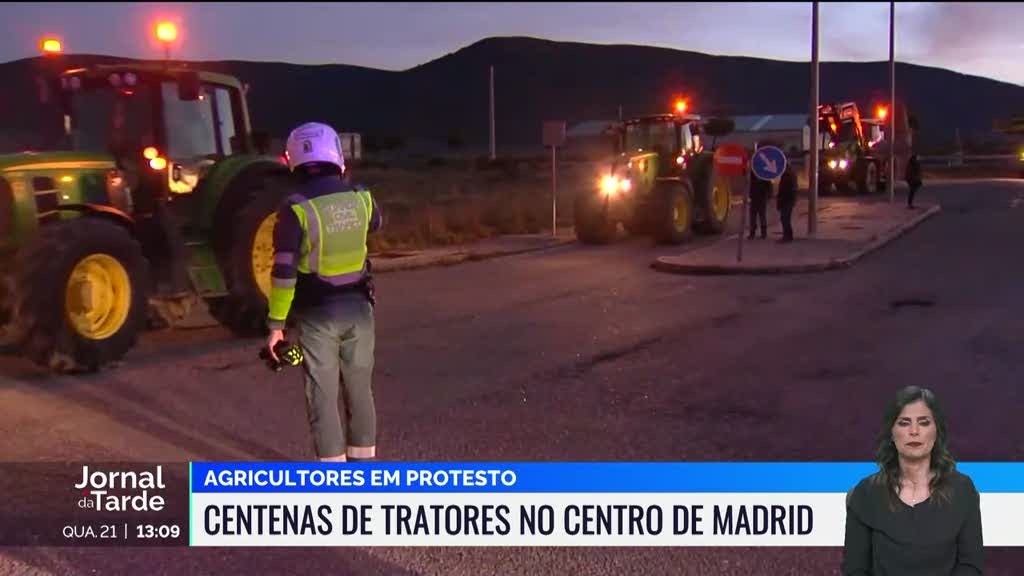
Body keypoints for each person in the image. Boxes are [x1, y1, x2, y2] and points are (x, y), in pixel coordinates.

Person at [267, 121, 383, 463]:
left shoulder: (295, 208)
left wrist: (276, 326)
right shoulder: (362, 198)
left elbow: (284, 272)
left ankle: (333, 480)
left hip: (317, 315)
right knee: (360, 391)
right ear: (337, 156)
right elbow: (376, 223)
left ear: (293, 161)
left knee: (322, 396)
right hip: (361, 311)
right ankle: (364, 471)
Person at [841, 386, 984, 575]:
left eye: (924, 423)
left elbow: (971, 566)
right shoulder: (865, 494)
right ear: (891, 433)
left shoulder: (963, 490)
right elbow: (855, 570)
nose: (914, 431)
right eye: (904, 423)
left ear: (936, 431)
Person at [776, 159, 798, 243]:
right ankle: (788, 236)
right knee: (785, 219)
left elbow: (785, 190)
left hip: (786, 200)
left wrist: (780, 201)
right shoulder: (790, 174)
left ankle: (787, 236)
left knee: (785, 219)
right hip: (788, 200)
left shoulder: (787, 175)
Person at [748, 173, 770, 239]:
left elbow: (769, 188)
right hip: (755, 198)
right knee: (753, 217)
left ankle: (763, 233)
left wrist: (767, 197)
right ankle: (753, 233)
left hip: (761, 199)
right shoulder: (753, 175)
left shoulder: (764, 177)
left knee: (762, 216)